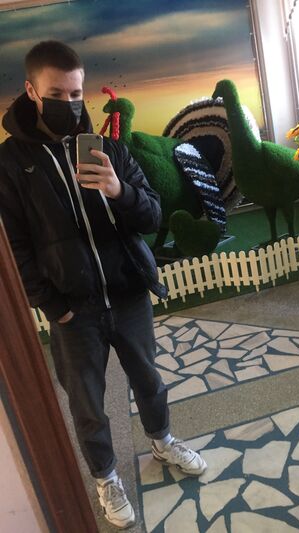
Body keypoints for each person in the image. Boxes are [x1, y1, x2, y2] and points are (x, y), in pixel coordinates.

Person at [0, 40, 207, 530]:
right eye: (57, 93)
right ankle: (106, 476)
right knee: (88, 404)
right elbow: (14, 246)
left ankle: (162, 441)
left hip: (128, 294)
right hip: (74, 310)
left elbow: (152, 215)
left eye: (76, 93)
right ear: (31, 91)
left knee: (149, 380)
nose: (70, 103)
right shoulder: (9, 164)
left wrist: (119, 190)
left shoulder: (109, 149)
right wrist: (53, 306)